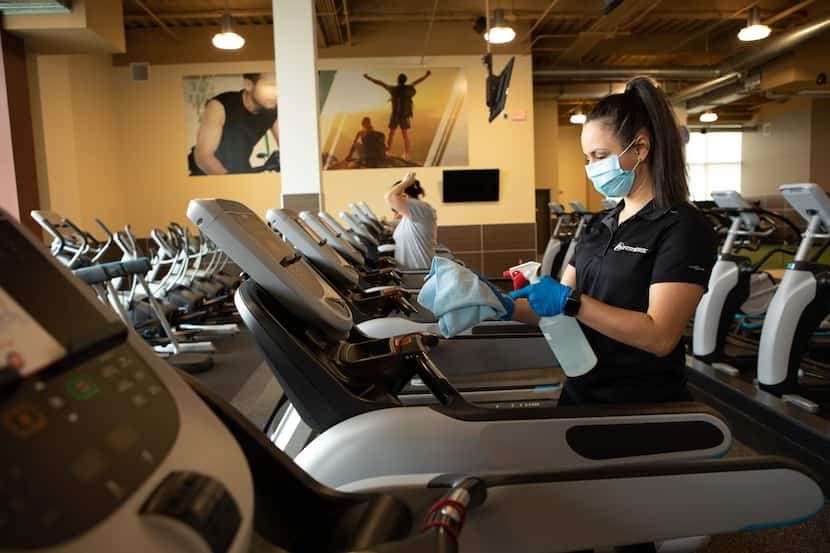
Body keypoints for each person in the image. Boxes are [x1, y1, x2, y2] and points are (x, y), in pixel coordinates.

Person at [494, 74, 717, 553]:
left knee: (622, 533)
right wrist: (495, 304)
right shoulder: (598, 224)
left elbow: (660, 335)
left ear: (639, 149)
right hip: (580, 394)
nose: (590, 167)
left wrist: (569, 300)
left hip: (639, 409)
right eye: (587, 157)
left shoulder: (683, 228)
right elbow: (556, 306)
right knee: (565, 524)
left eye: (598, 156)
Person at [188, 72, 279, 175]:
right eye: (270, 85)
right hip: (204, 174)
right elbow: (203, 157)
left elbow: (287, 146)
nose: (276, 92)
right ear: (248, 85)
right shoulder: (220, 105)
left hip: (239, 171)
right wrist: (232, 183)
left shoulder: (272, 109)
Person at [363, 71, 431, 160]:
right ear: (405, 80)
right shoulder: (408, 88)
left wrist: (369, 78)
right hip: (404, 115)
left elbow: (380, 83)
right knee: (405, 135)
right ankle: (406, 154)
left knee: (391, 134)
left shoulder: (393, 89)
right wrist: (426, 75)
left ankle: (387, 151)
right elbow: (417, 81)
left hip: (395, 115)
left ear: (397, 80)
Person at [384, 172, 437, 270]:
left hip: (418, 274)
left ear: (404, 195)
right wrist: (386, 224)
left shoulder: (420, 208)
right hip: (410, 272)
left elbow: (389, 197)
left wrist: (405, 183)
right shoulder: (414, 213)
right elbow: (407, 226)